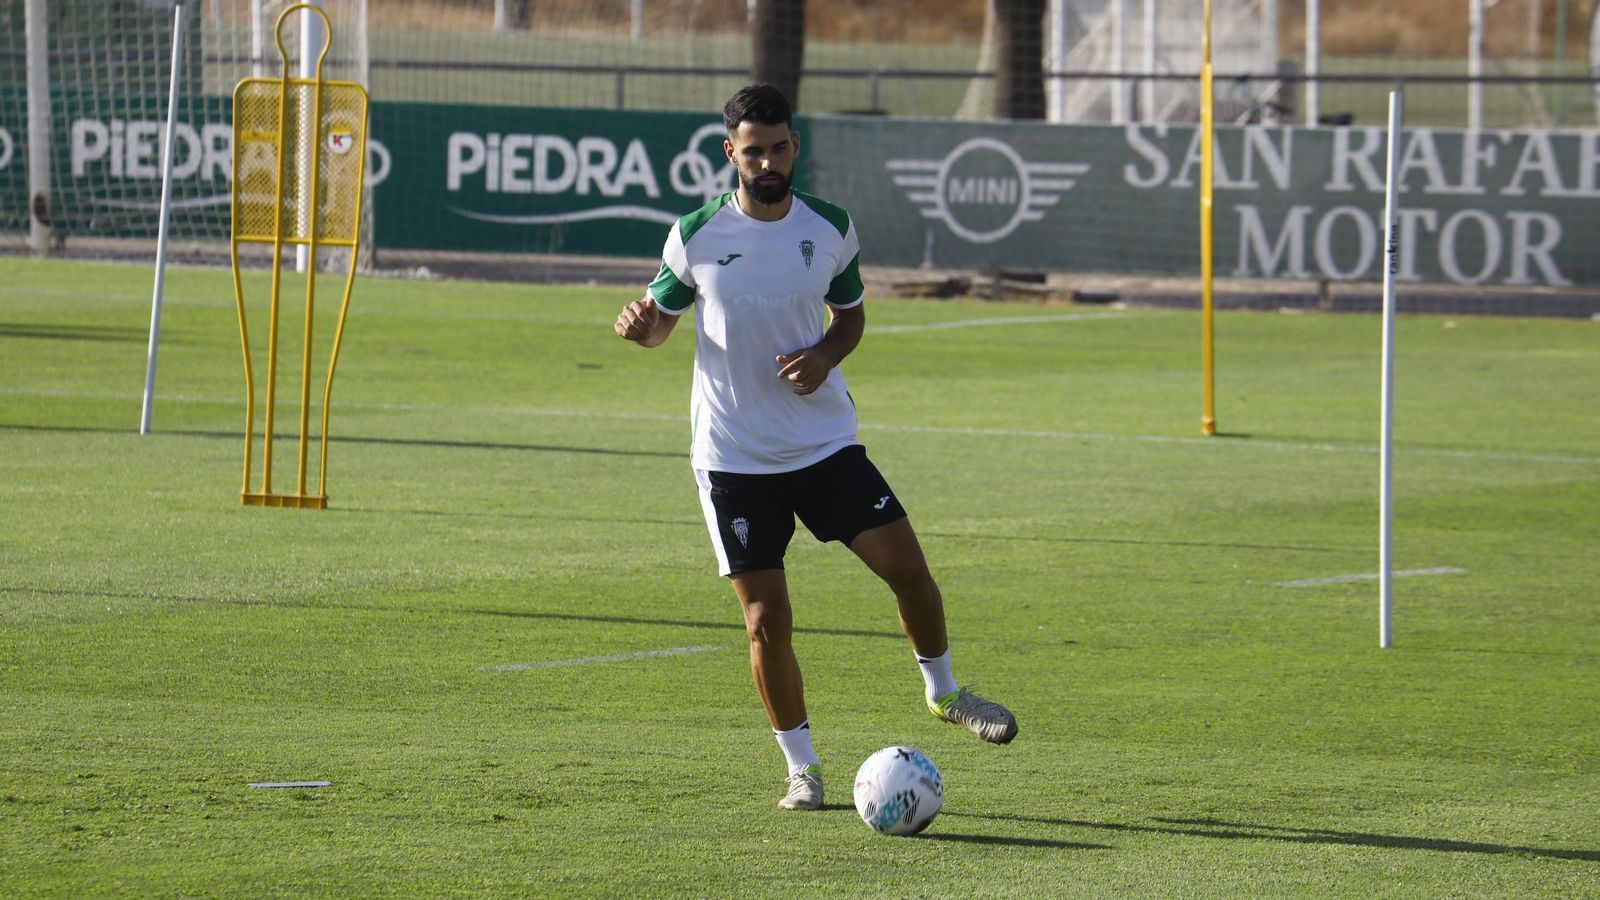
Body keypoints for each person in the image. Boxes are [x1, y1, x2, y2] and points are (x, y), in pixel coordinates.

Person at [613, 83, 1016, 812]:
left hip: (824, 443)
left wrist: (827, 356)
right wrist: (637, 322)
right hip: (734, 460)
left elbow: (850, 315)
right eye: (752, 150)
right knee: (767, 620)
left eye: (778, 147)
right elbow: (659, 328)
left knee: (911, 571)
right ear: (729, 152)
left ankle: (945, 691)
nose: (767, 161)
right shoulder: (696, 234)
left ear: (794, 146)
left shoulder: (830, 227)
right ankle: (803, 769)